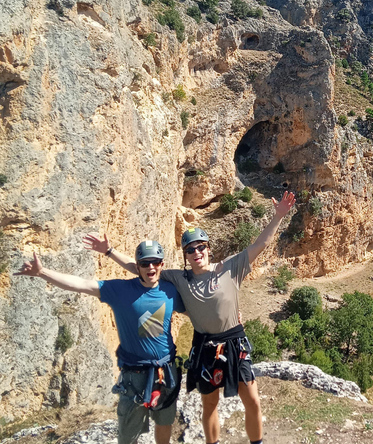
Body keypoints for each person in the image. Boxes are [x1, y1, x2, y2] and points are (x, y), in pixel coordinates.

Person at [92, 190, 296, 444]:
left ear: (209, 249)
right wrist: (109, 251)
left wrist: (278, 216)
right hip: (206, 346)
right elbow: (141, 268)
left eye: (201, 246)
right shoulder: (179, 278)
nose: (196, 252)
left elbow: (260, 245)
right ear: (186, 256)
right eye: (190, 249)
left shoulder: (230, 268)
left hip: (234, 342)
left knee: (252, 399)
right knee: (209, 404)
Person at [15, 241, 185, 444]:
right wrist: (43, 272)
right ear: (137, 266)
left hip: (166, 372)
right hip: (135, 376)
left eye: (155, 262)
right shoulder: (120, 290)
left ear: (162, 264)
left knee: (164, 423)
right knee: (128, 435)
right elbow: (81, 284)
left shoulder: (170, 290)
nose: (151, 268)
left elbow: (197, 309)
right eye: (145, 263)